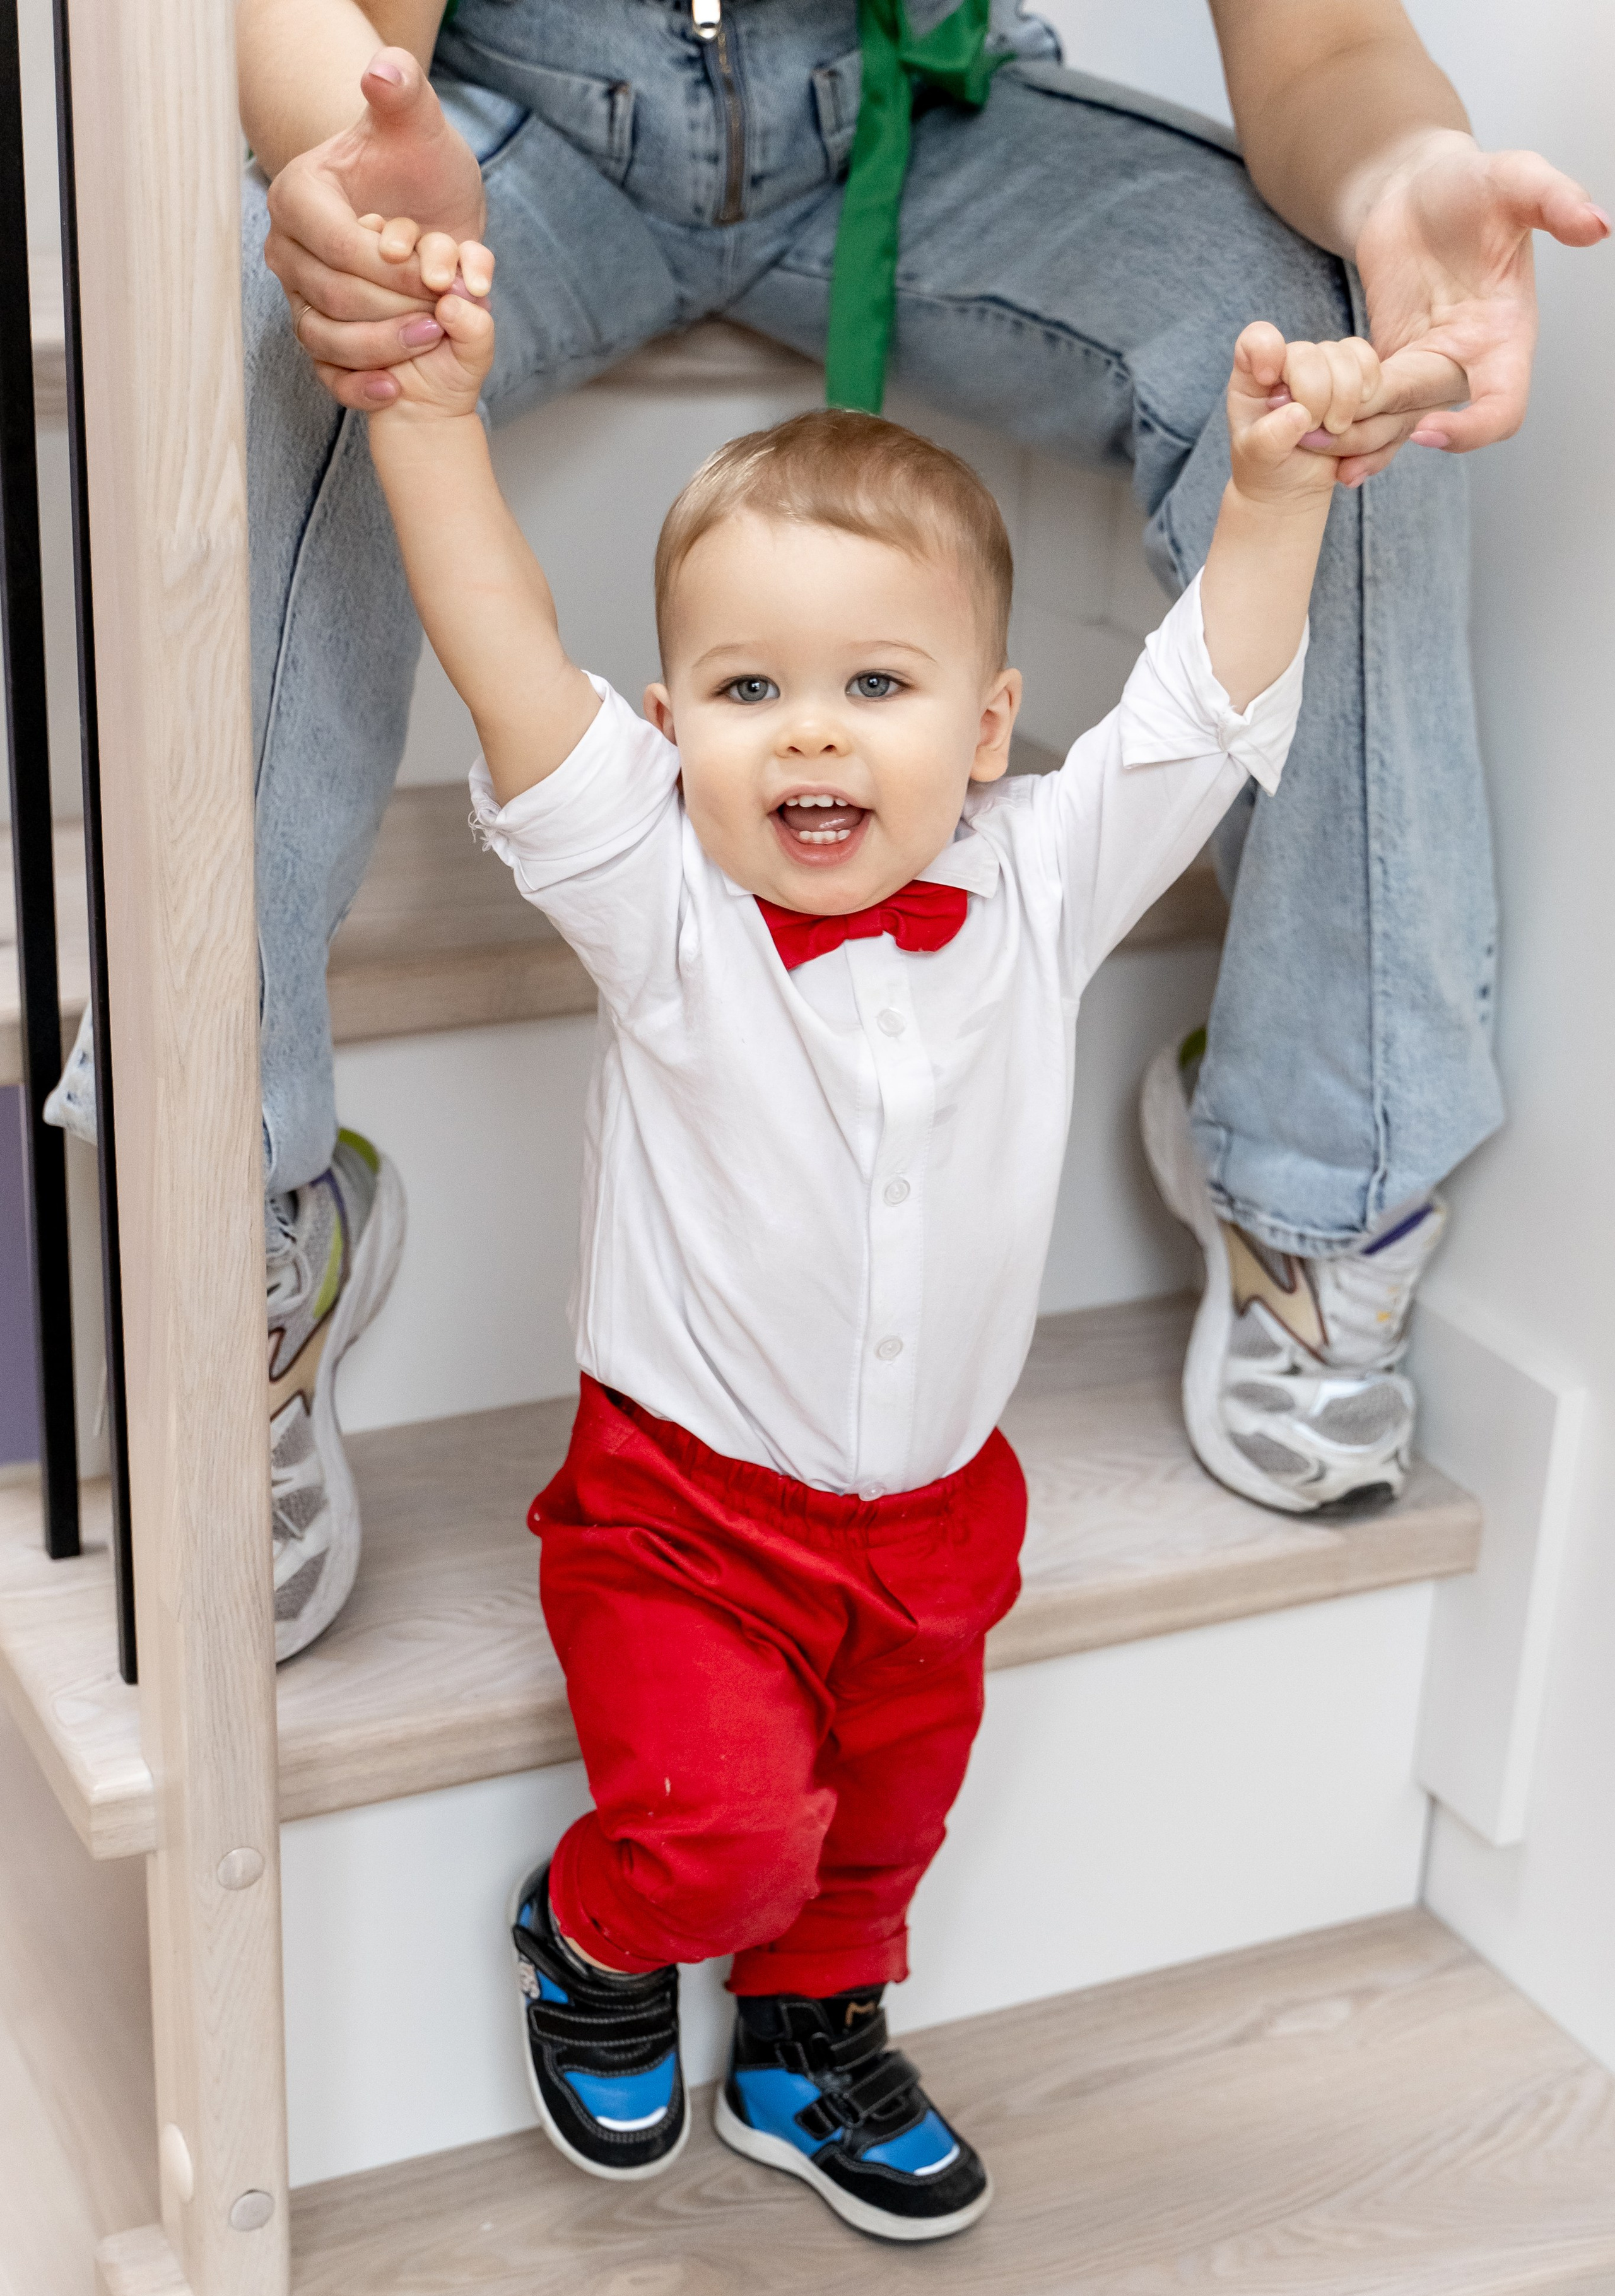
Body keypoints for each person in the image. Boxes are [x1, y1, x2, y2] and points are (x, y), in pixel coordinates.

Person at [89, 0, 1595, 1657]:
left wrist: (1400, 175)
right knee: (279, 312)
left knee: (1337, 348)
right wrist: (357, 177)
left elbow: (1322, 53)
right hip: (516, 139)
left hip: (919, 127)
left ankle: (1317, 1194)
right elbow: (352, 42)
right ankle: (230, 1226)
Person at [357, 189, 1363, 2227]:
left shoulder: (1038, 886)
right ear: (671, 741)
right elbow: (508, 659)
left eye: (878, 684)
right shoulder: (661, 914)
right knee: (719, 1829)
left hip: (935, 1521)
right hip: (689, 1517)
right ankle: (595, 1935)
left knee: (876, 1834)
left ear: (987, 734)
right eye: (744, 692)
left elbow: (1194, 707)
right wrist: (425, 418)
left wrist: (1274, 494)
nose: (810, 728)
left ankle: (809, 2046)